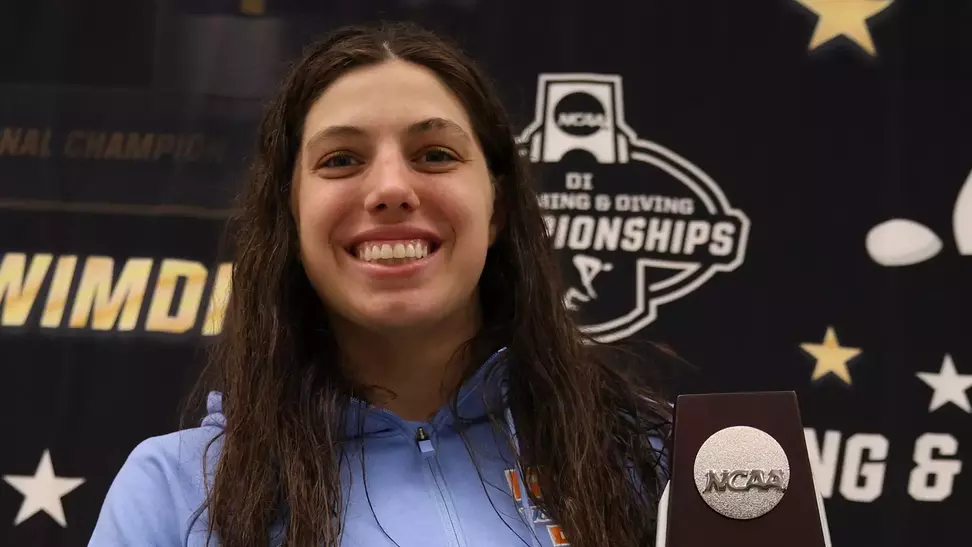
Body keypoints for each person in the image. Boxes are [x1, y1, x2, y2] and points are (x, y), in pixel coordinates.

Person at [88, 20, 671, 547]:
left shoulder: (649, 461)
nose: (391, 188)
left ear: (496, 208)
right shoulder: (175, 494)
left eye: (435, 154)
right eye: (341, 160)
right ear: (292, 216)